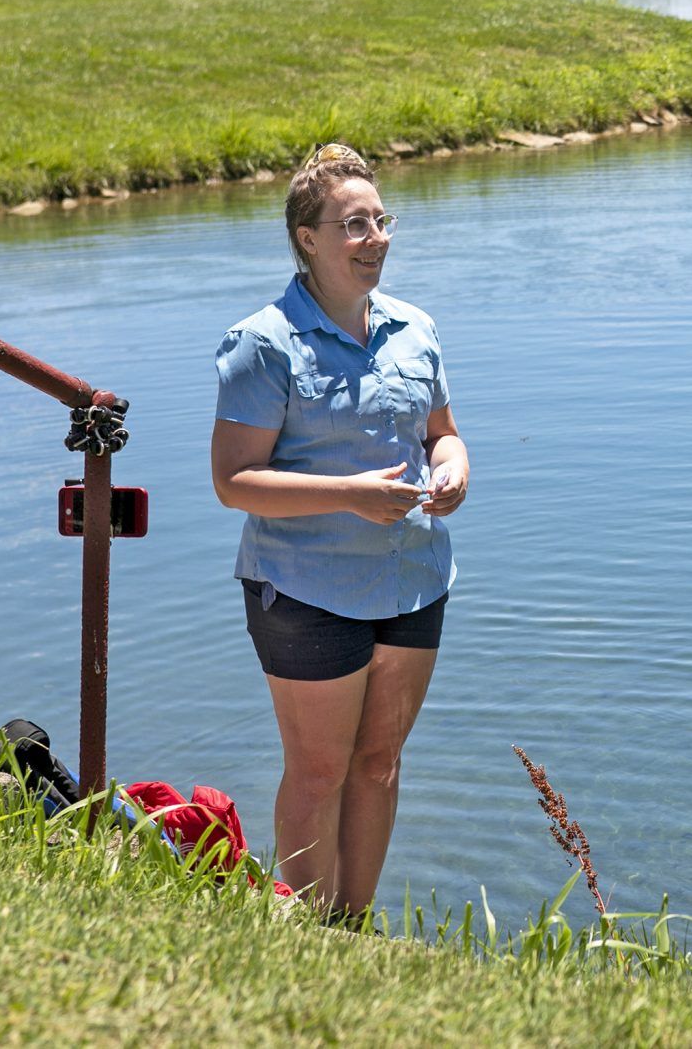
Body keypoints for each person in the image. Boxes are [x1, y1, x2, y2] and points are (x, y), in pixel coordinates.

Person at [211, 142, 469, 918]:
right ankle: (305, 931)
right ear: (307, 238)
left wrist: (455, 467)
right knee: (319, 773)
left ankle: (351, 934)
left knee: (381, 762)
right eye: (353, 225)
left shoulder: (414, 328)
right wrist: (349, 495)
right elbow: (234, 482)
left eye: (380, 220)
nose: (375, 238)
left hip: (413, 580)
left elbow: (443, 432)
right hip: (305, 589)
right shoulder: (263, 342)